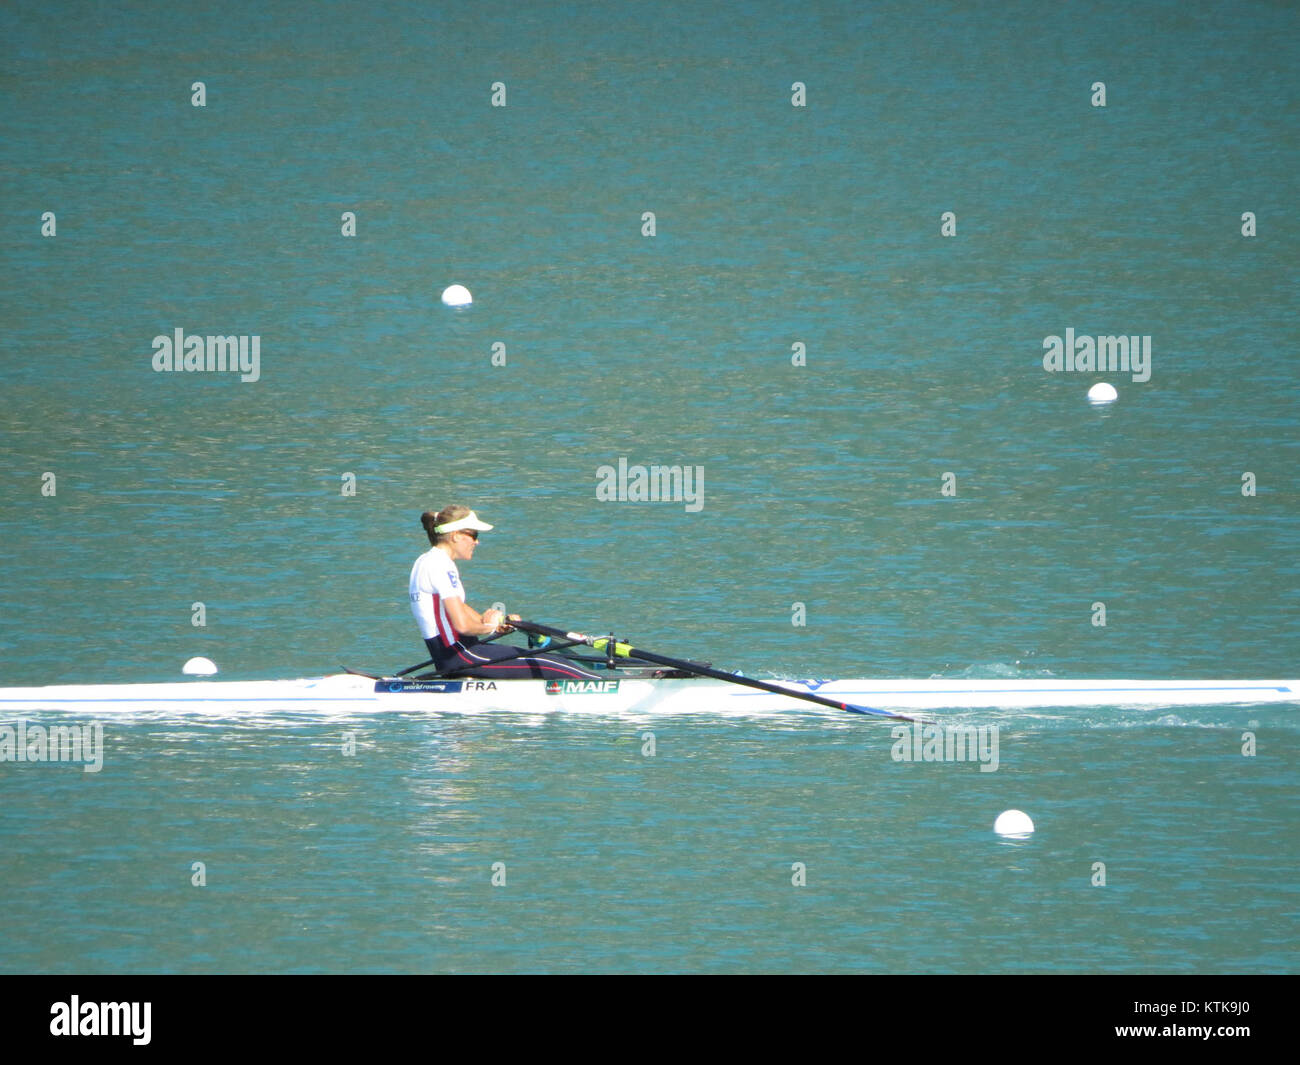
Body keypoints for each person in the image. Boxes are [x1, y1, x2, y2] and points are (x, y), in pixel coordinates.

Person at [409, 505, 602, 680]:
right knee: (557, 664)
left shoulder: (426, 561)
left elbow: (457, 609)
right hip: (462, 656)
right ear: (456, 535)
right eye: (474, 535)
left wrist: (497, 623)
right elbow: (462, 625)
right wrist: (490, 627)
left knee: (543, 659)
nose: (476, 542)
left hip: (458, 654)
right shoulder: (441, 566)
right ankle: (601, 685)